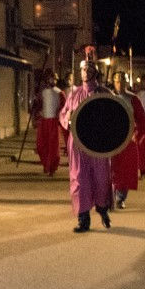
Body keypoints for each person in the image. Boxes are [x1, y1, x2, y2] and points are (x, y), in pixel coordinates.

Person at [59, 60, 113, 232]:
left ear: (94, 72)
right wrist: (68, 117)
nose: (85, 72)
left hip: (98, 145)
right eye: (83, 69)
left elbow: (114, 117)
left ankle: (103, 209)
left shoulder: (105, 93)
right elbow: (63, 114)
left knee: (101, 179)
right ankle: (83, 219)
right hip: (78, 144)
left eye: (88, 69)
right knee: (79, 180)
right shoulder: (74, 94)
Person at [110, 72, 145, 209]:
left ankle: (120, 198)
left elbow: (143, 122)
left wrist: (136, 136)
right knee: (110, 170)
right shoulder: (108, 97)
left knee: (124, 171)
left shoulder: (133, 99)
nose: (119, 84)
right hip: (111, 140)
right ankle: (110, 196)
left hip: (127, 140)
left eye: (122, 81)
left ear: (126, 82)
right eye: (116, 81)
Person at [33, 71, 65, 176]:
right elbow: (39, 105)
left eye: (54, 79)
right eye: (51, 78)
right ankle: (45, 164)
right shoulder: (43, 92)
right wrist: (36, 108)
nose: (52, 80)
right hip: (43, 121)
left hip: (53, 121)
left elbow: (64, 107)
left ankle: (52, 167)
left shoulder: (59, 93)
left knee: (53, 146)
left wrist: (60, 114)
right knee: (41, 145)